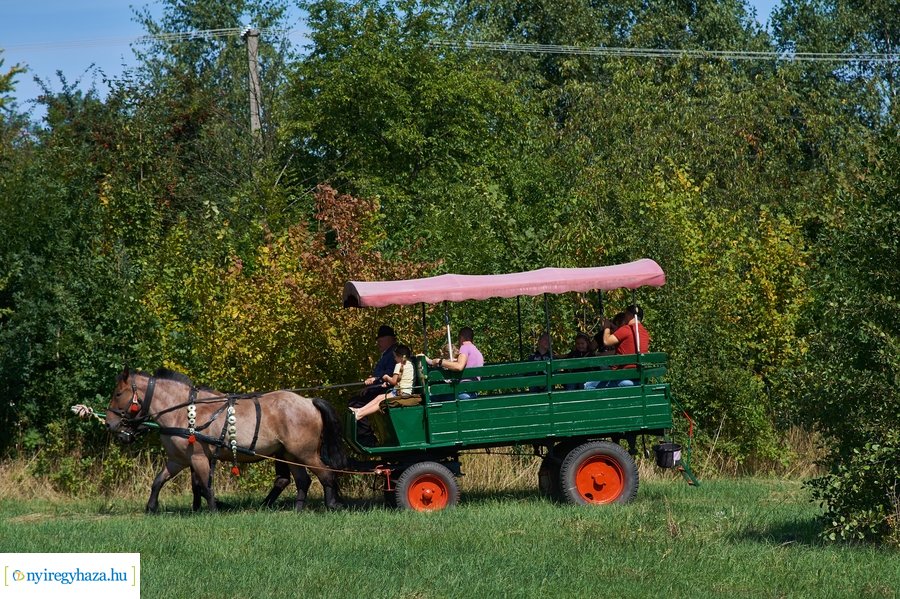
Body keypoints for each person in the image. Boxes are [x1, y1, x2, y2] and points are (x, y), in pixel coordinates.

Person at [349, 324, 398, 445]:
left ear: (389, 339)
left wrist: (375, 380)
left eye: (380, 340)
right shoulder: (387, 353)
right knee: (356, 397)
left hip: (388, 388)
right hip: (380, 386)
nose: (378, 343)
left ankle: (367, 438)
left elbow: (391, 373)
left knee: (356, 402)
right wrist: (370, 385)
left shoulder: (394, 354)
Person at [350, 345, 414, 421]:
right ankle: (360, 410)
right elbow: (401, 380)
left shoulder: (398, 365)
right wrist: (388, 383)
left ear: (400, 357)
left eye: (395, 357)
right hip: (404, 391)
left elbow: (394, 381)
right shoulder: (410, 364)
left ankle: (360, 415)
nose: (394, 359)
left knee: (381, 402)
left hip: (400, 393)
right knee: (379, 397)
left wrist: (386, 377)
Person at [425, 326, 483, 399]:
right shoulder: (477, 352)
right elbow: (460, 361)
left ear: (461, 337)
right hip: (473, 392)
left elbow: (459, 366)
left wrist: (439, 361)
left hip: (462, 392)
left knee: (432, 396)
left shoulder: (464, 347)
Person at [602, 305, 651, 386]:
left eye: (625, 314)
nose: (624, 317)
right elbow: (625, 336)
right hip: (639, 376)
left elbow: (606, 341)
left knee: (589, 385)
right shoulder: (644, 332)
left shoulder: (627, 329)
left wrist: (606, 327)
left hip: (623, 376)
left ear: (629, 315)